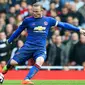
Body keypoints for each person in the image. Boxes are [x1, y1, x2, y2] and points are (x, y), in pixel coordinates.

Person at [1, 2, 85, 85]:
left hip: (40, 48)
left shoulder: (48, 20)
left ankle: (26, 79)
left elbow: (63, 25)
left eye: (37, 11)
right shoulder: (27, 20)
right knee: (13, 63)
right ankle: (6, 68)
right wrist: (9, 40)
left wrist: (79, 30)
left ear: (42, 10)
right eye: (33, 11)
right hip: (28, 46)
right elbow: (18, 31)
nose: (35, 13)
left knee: (40, 61)